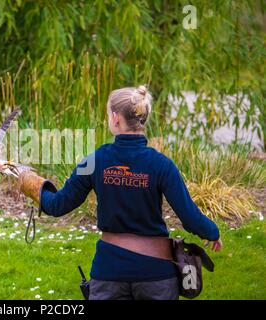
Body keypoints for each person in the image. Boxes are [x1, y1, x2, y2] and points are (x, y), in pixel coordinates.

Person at [19, 85, 222, 300]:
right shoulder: (162, 165)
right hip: (155, 274)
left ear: (115, 118)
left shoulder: (95, 160)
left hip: (109, 273)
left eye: (108, 113)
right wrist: (212, 232)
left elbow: (57, 205)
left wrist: (26, 180)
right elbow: (189, 217)